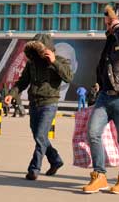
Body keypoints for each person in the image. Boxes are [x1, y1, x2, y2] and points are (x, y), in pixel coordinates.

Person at [82, 3, 119, 195]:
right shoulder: (109, 40)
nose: (106, 25)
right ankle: (99, 176)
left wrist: (117, 26)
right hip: (105, 96)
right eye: (107, 22)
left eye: (109, 21)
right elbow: (104, 67)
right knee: (92, 132)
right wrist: (98, 85)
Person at [4, 33, 73, 181]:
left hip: (49, 103)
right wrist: (11, 94)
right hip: (34, 103)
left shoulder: (59, 60)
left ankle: (34, 169)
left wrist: (54, 61)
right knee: (38, 136)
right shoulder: (31, 63)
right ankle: (55, 160)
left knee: (41, 136)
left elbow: (68, 77)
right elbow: (22, 82)